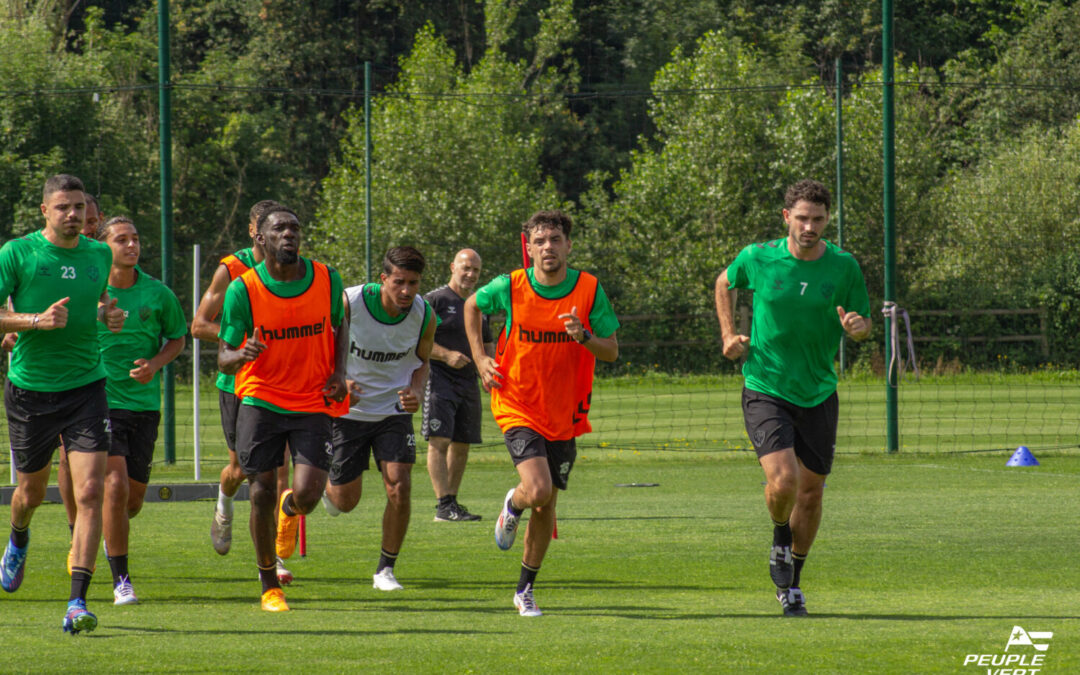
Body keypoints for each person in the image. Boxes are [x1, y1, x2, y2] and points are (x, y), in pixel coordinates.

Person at [714, 179, 871, 617]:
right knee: (784, 481)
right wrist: (728, 335)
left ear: (827, 220)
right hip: (765, 385)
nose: (810, 226)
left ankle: (793, 583)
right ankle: (780, 535)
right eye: (802, 218)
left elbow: (863, 321)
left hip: (819, 390)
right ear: (787, 218)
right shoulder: (759, 257)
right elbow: (724, 282)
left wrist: (859, 329)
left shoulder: (843, 267)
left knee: (812, 493)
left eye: (818, 219)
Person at [465, 210, 620, 617]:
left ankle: (524, 590)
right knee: (538, 489)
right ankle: (513, 503)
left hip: (564, 413)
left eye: (555, 239)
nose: (547, 247)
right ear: (528, 247)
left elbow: (612, 350)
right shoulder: (511, 286)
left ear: (568, 246)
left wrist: (584, 336)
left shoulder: (588, 290)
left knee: (547, 503)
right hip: (516, 403)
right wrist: (481, 359)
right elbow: (471, 305)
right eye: (540, 240)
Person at [0, 174, 125, 634]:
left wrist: (107, 313)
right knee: (30, 494)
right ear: (44, 211)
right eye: (63, 207)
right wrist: (34, 320)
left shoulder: (99, 253)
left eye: (79, 207)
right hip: (30, 390)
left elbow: (96, 301)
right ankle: (17, 538)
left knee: (91, 491)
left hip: (86, 388)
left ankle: (77, 601)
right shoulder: (17, 253)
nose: (73, 215)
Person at [218, 205, 349, 612]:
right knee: (260, 491)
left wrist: (339, 372)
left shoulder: (326, 277)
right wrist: (242, 352)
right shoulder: (244, 289)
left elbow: (340, 324)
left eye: (294, 227)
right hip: (260, 398)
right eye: (279, 229)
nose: (289, 234)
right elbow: (223, 357)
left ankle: (291, 510)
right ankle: (268, 585)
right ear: (261, 239)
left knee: (309, 493)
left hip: (312, 399)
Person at [192, 199, 295, 584]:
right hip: (237, 383)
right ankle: (224, 502)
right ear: (254, 231)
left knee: (276, 472)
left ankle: (274, 561)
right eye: (262, 226)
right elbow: (200, 325)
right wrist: (240, 338)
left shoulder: (294, 269)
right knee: (242, 470)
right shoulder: (232, 269)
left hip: (281, 384)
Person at [322, 246, 435, 592]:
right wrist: (340, 379)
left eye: (413, 283)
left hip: (393, 412)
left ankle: (385, 569)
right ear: (382, 279)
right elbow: (320, 347)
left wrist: (416, 390)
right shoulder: (349, 303)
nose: (406, 291)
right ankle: (322, 487)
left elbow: (422, 363)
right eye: (398, 282)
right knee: (345, 502)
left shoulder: (425, 315)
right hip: (348, 412)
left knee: (399, 486)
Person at [94, 216, 187, 605]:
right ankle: (122, 581)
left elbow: (178, 337)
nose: (131, 245)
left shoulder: (158, 293)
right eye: (121, 239)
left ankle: (109, 533)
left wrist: (155, 364)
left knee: (131, 502)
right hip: (99, 402)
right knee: (113, 489)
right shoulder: (91, 291)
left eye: (135, 239)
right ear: (104, 248)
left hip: (145, 407)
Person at [423, 249, 493, 522]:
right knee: (440, 441)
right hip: (439, 379)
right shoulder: (435, 300)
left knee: (463, 443)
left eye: (475, 270)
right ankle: (442, 504)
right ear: (452, 267)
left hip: (469, 382)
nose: (470, 274)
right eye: (465, 268)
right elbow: (416, 340)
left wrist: (489, 369)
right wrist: (446, 355)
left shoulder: (479, 305)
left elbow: (487, 344)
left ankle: (451, 503)